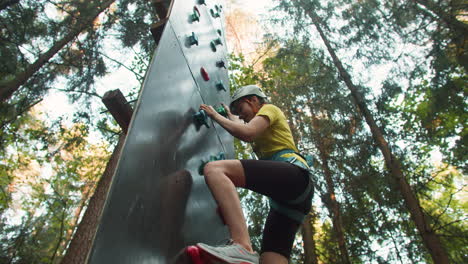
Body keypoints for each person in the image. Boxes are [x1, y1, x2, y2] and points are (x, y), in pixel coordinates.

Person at [196, 85, 313, 264]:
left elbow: (247, 132)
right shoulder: (253, 116)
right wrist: (231, 114)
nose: (241, 116)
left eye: (241, 109)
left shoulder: (269, 109)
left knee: (215, 170)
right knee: (270, 259)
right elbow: (240, 124)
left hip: (293, 173)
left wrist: (215, 115)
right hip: (290, 200)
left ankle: (242, 245)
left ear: (253, 100)